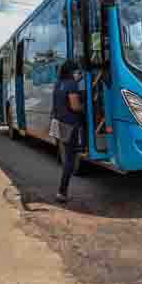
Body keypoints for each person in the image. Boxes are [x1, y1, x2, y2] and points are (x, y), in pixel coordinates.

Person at [51, 60, 85, 203]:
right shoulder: (72, 84)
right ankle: (62, 192)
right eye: (77, 71)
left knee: (67, 156)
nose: (79, 74)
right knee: (70, 161)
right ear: (72, 72)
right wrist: (84, 108)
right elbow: (75, 106)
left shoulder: (58, 84)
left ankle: (61, 191)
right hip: (70, 125)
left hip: (60, 124)